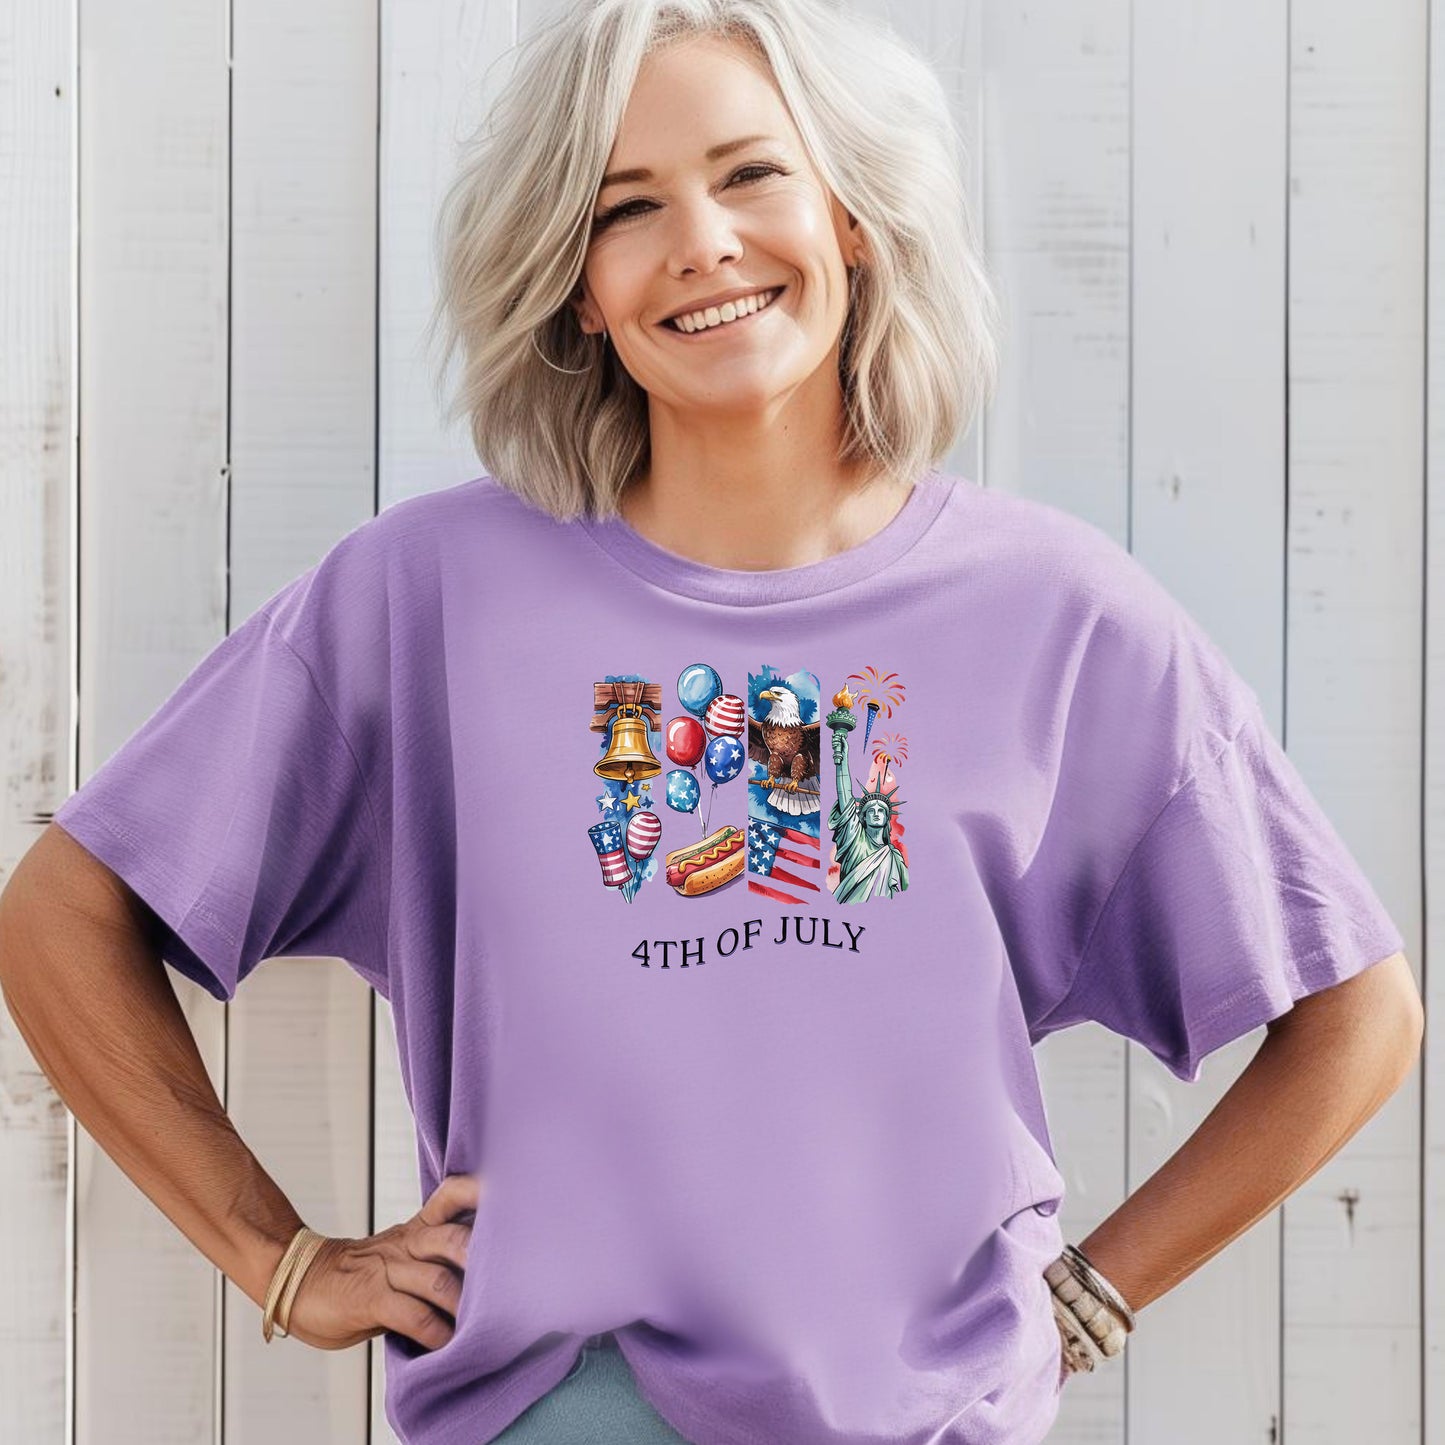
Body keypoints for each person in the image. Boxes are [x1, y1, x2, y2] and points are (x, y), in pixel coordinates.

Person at [0, 0, 1423, 1441]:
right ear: (577, 289)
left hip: (928, 1417)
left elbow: (1354, 1013)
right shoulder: (425, 600)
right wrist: (280, 1255)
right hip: (570, 1408)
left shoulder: (1058, 615)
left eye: (750, 174)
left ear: (852, 217)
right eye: (626, 208)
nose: (701, 240)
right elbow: (66, 913)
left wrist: (1090, 1296)